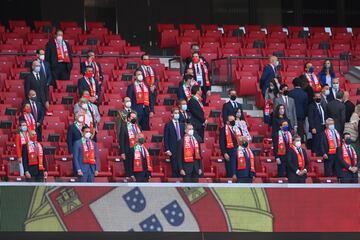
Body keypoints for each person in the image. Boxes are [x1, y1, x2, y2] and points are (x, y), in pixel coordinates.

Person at [164, 107, 185, 177]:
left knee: (181, 168)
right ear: (172, 114)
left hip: (181, 149)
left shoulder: (182, 125)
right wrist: (167, 149)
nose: (177, 114)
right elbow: (166, 138)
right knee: (175, 168)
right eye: (175, 113)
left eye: (178, 113)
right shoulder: (168, 125)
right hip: (173, 150)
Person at [119, 111, 142, 176]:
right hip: (127, 151)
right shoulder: (124, 127)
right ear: (128, 118)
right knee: (129, 170)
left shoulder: (138, 127)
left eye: (135, 117)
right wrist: (122, 152)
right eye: (132, 117)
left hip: (137, 151)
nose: (134, 118)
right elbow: (121, 140)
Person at [288, 78, 308, 142]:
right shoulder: (304, 94)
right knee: (300, 133)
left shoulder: (290, 93)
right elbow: (305, 107)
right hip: (301, 117)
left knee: (290, 134)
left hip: (290, 117)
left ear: (293, 84)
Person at [308, 92, 327, 156]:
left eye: (319, 96)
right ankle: (315, 154)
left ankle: (321, 154)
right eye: (317, 96)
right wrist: (312, 127)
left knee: (322, 141)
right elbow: (310, 118)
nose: (318, 98)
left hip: (323, 126)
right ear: (314, 98)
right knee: (316, 141)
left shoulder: (321, 105)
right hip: (316, 127)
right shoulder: (311, 106)